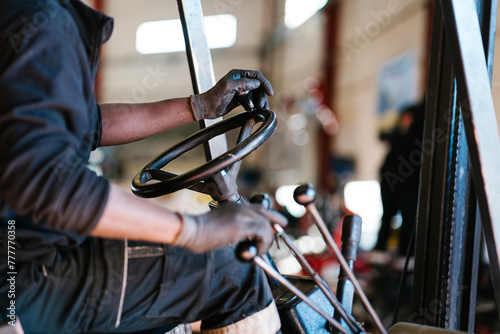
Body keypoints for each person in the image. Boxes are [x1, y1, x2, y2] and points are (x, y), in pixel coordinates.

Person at [0, 1, 287, 333]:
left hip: (20, 259)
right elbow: (47, 183)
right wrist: (198, 231)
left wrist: (198, 106)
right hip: (21, 280)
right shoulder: (41, 21)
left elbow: (88, 124)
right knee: (235, 277)